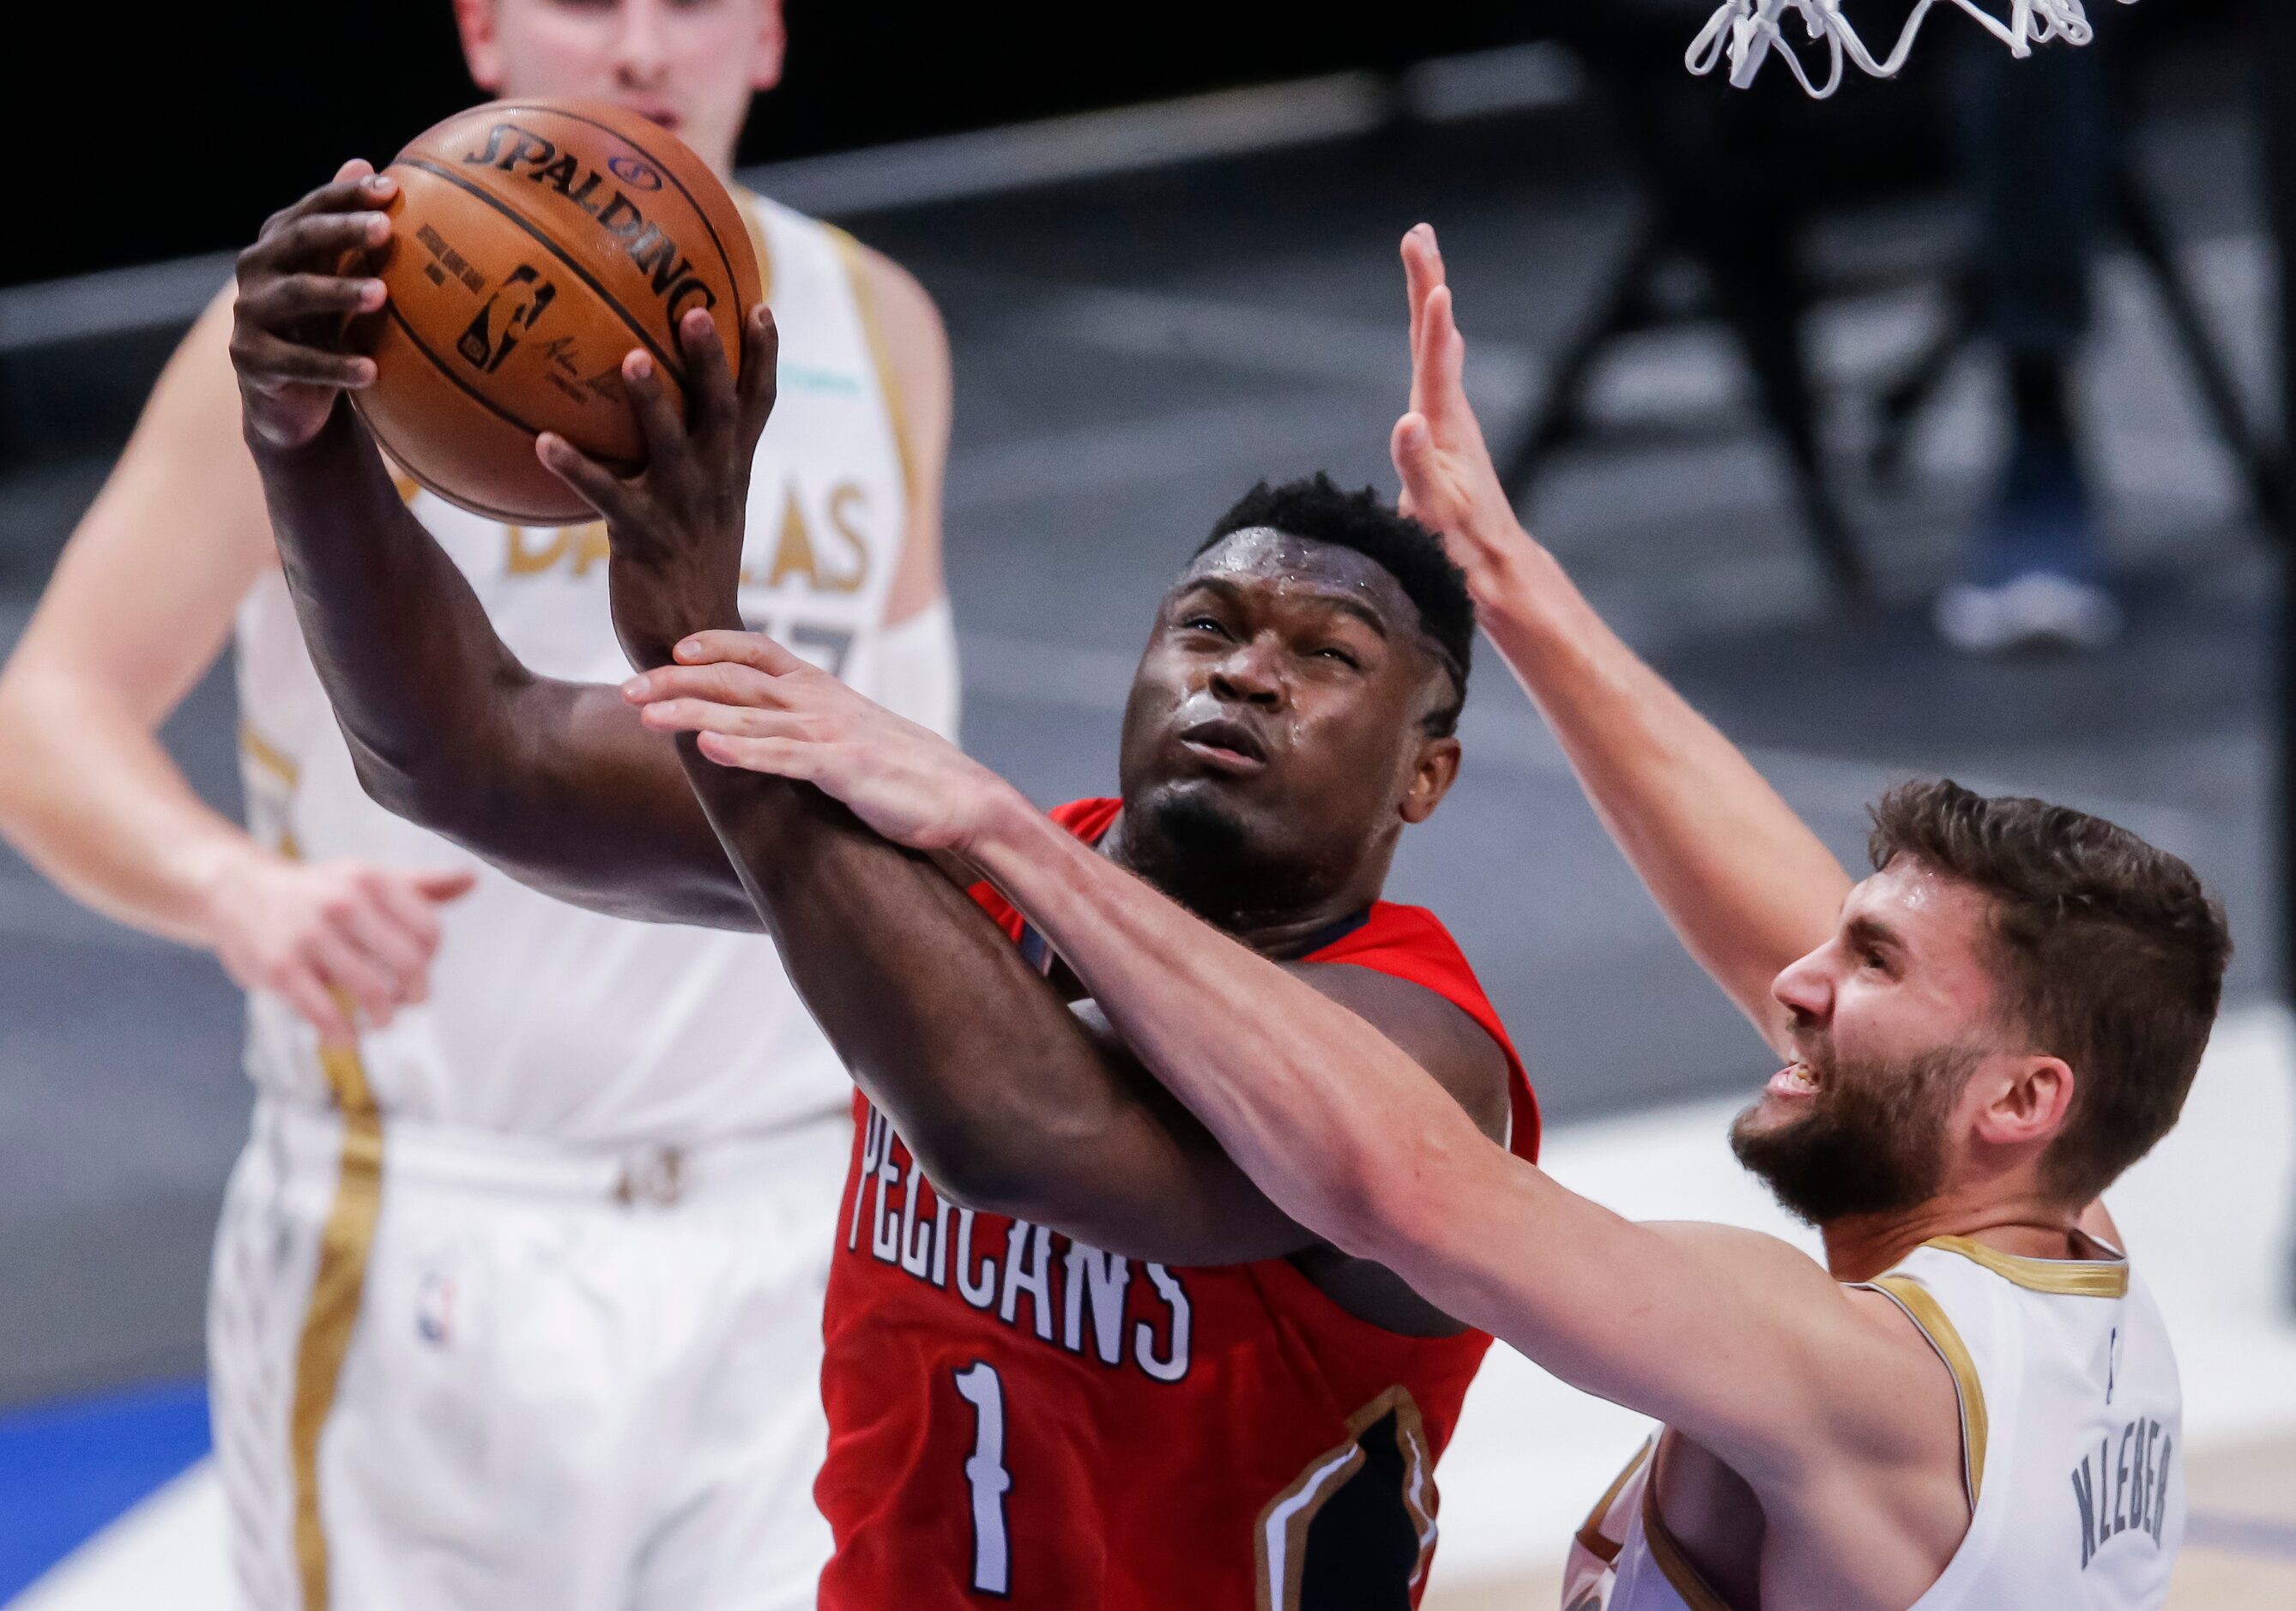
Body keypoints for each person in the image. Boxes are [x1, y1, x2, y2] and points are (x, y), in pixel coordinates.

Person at [637, 225, 2227, 1610]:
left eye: (1866, 963)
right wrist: (1505, 575)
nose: (1797, 978)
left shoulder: (1844, 1379)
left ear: (2021, 1100)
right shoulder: (2061, 1247)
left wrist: (997, 826)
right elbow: (1779, 914)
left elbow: (1400, 1180)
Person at [225, 167, 1545, 1605]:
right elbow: (466, 755)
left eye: (1329, 654)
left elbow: (1028, 1128)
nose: (1246, 667)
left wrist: (701, 654)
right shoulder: (951, 873)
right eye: (1208, 624)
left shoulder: (1421, 1051)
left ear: (1428, 775)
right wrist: (302, 442)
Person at [0, 3, 952, 1607]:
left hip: (807, 1210)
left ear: (776, 33)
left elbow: (904, 779)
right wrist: (231, 889)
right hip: (445, 1219)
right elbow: (49, 707)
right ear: (486, 31)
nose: (645, 44)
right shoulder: (331, 329)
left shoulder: (880, 324)